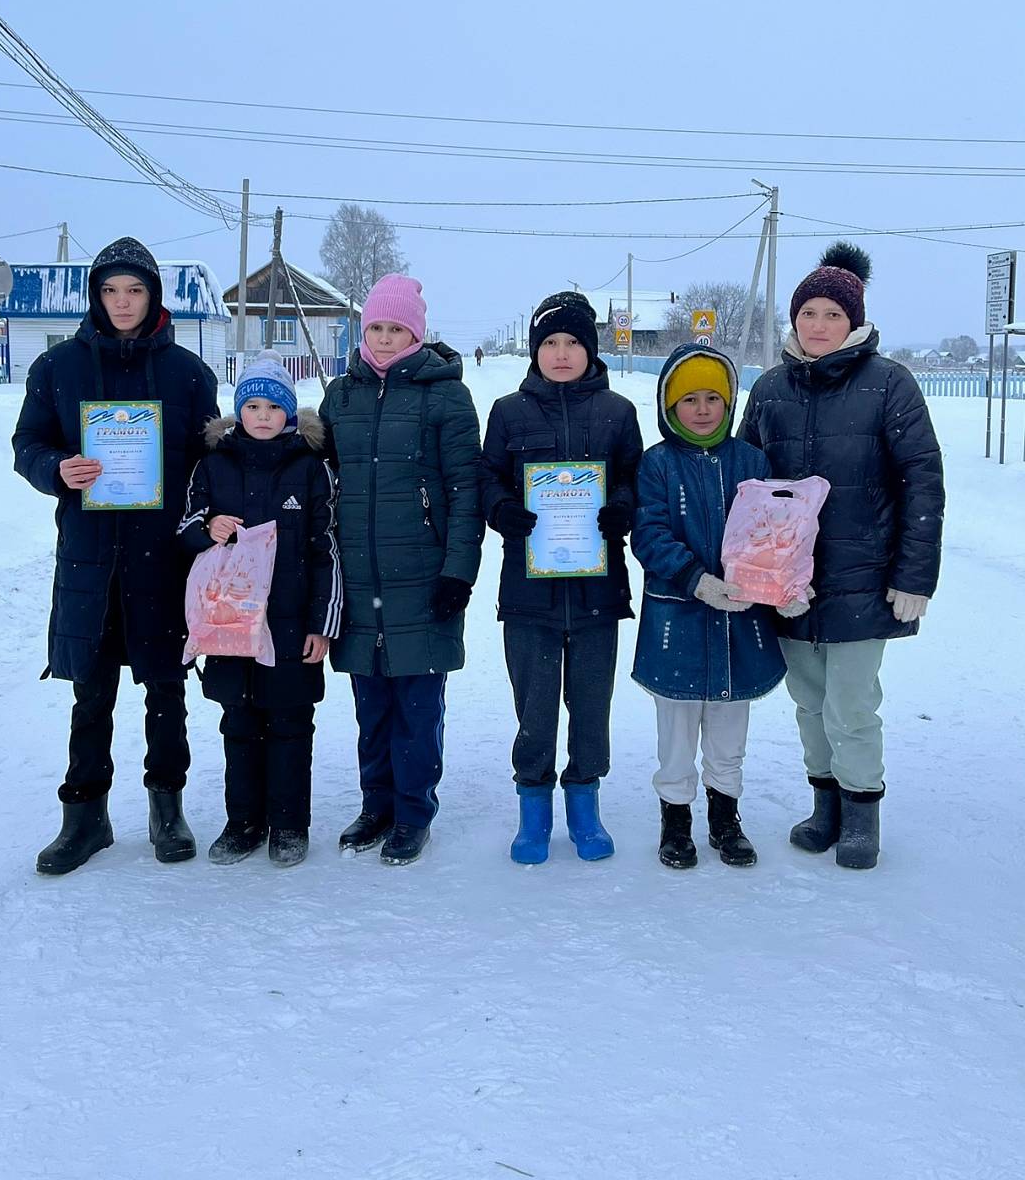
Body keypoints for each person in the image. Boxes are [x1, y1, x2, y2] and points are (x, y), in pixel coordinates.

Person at [13, 238, 219, 875]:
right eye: (110, 290)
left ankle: (167, 808)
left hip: (163, 556)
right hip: (91, 557)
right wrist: (57, 468)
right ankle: (85, 816)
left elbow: (209, 465)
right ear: (95, 297)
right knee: (92, 690)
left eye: (134, 290)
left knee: (166, 687)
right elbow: (27, 443)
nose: (122, 302)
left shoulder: (189, 374)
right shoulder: (57, 368)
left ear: (153, 296)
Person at [738, 243, 944, 869]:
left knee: (850, 704)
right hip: (789, 582)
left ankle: (861, 812)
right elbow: (747, 484)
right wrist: (751, 569)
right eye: (809, 313)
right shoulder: (769, 388)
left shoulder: (889, 384)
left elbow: (922, 479)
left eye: (833, 313)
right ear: (794, 318)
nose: (819, 324)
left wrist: (914, 576)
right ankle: (824, 804)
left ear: (853, 320)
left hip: (864, 577)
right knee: (807, 699)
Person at [318, 275, 484, 866]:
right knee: (371, 703)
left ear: (416, 334)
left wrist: (458, 572)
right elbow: (318, 477)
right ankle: (377, 805)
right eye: (376, 328)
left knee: (417, 703)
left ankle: (414, 811)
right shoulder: (341, 395)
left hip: (422, 573)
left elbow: (466, 490)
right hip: (358, 574)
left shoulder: (446, 396)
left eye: (397, 329)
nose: (385, 339)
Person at [481, 291, 642, 863]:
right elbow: (487, 477)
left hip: (597, 591)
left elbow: (633, 477)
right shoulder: (509, 412)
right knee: (535, 707)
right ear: (535, 351)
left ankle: (584, 806)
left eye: (573, 341)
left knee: (592, 704)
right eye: (550, 342)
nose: (562, 352)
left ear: (591, 349)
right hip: (530, 594)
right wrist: (502, 509)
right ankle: (533, 812)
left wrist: (621, 507)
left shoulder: (618, 412)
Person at [631, 344, 801, 869]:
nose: (702, 409)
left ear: (728, 403)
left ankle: (725, 818)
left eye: (713, 398)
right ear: (669, 406)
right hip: (678, 618)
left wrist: (785, 584)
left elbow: (774, 532)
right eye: (689, 400)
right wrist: (696, 580)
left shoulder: (751, 461)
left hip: (740, 622)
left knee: (729, 727)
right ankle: (675, 820)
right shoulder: (657, 464)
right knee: (677, 731)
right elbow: (649, 534)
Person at [177, 355, 342, 866]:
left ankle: (289, 825)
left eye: (274, 406)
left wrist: (322, 623)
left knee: (290, 723)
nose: (263, 416)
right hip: (230, 625)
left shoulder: (311, 468)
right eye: (252, 406)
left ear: (289, 412)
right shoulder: (213, 464)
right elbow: (184, 530)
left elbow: (326, 548)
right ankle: (243, 822)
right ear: (238, 411)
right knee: (239, 723)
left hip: (289, 624)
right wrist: (208, 529)